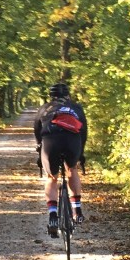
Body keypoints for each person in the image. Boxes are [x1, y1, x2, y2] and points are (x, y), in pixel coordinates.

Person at [34, 82, 87, 236]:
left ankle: (52, 216)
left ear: (51, 96)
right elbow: (83, 131)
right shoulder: (76, 108)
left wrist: (40, 150)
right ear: (68, 95)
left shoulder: (44, 108)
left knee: (52, 177)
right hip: (72, 141)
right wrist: (80, 153)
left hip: (51, 141)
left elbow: (37, 132)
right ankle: (77, 210)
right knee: (72, 169)